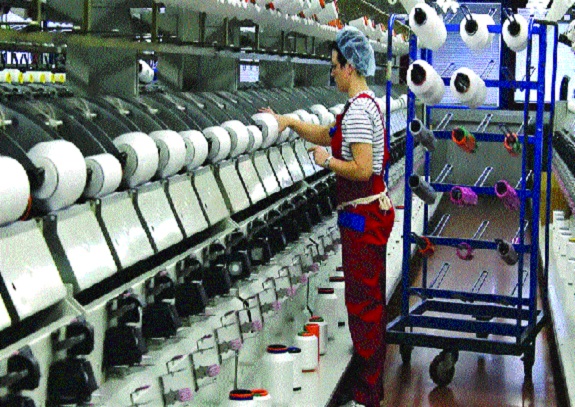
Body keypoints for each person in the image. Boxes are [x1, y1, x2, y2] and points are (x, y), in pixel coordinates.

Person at [260, 26, 395, 407]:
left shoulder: (359, 112)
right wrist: (288, 121)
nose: (332, 72)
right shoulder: (361, 106)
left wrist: (328, 162)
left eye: (335, 66)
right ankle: (369, 382)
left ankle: (368, 392)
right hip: (363, 216)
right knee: (365, 299)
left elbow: (363, 169)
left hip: (364, 216)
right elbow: (325, 133)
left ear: (350, 66)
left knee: (363, 304)